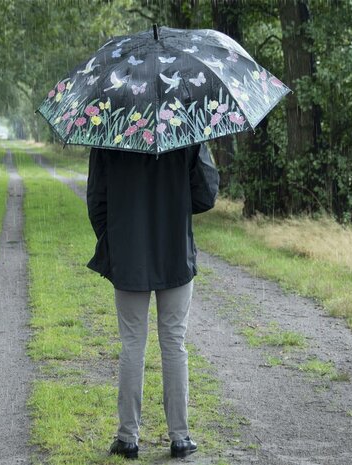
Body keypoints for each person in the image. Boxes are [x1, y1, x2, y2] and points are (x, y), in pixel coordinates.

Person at [86, 142, 219, 459]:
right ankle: (180, 437)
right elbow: (206, 193)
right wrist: (176, 205)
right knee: (174, 342)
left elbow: (96, 201)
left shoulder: (109, 131)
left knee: (132, 342)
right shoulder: (186, 129)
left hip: (128, 252)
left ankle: (128, 439)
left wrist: (115, 237)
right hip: (175, 250)